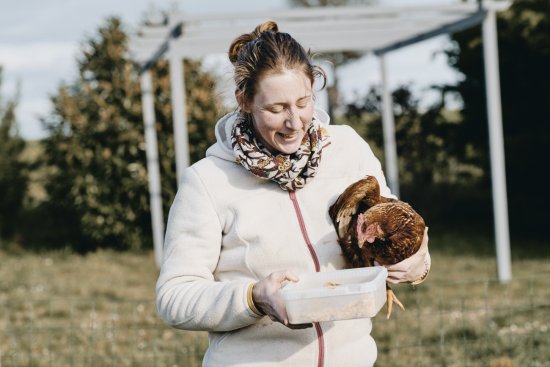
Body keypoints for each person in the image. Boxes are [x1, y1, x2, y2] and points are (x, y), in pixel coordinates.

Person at [156, 20, 431, 367]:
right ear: (245, 101)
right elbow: (174, 298)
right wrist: (253, 298)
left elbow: (394, 224)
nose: (295, 122)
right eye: (275, 109)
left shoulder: (347, 149)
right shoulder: (208, 181)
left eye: (303, 102)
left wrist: (417, 260)